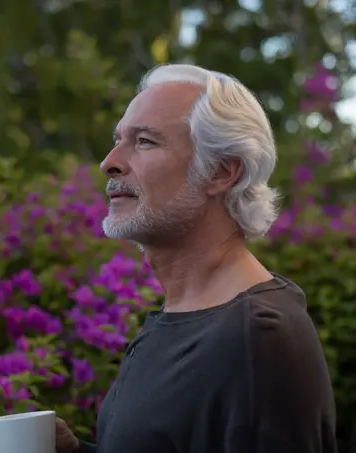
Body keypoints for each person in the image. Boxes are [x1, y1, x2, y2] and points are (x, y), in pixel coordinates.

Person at [55, 64, 337, 453]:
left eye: (145, 142)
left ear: (221, 172)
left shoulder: (255, 337)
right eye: (118, 139)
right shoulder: (186, 315)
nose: (110, 162)